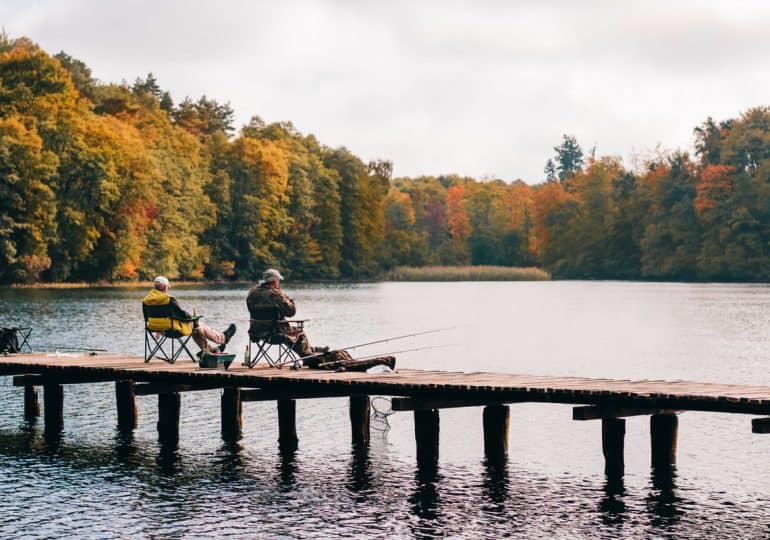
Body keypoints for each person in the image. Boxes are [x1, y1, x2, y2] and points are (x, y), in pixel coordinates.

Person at [246, 268, 327, 357]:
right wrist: (286, 297)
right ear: (274, 281)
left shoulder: (252, 292)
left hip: (256, 332)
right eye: (278, 280)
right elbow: (291, 312)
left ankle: (311, 350)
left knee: (287, 333)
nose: (279, 283)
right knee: (298, 333)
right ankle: (308, 356)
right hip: (274, 333)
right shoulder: (276, 294)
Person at [143, 276, 236, 354]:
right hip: (172, 330)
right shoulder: (168, 299)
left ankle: (208, 350)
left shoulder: (146, 300)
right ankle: (223, 338)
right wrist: (193, 318)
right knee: (198, 326)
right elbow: (181, 314)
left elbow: (146, 318)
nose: (167, 289)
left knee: (196, 328)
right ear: (163, 287)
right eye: (167, 287)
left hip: (155, 328)